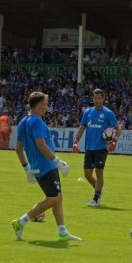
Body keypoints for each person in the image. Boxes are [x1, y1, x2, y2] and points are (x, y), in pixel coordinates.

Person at [11, 91, 81, 242]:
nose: (46, 107)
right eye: (45, 104)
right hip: (47, 165)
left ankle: (62, 232)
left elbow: (18, 149)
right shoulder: (37, 122)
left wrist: (27, 169)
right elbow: (41, 145)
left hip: (37, 166)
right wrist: (58, 161)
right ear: (37, 105)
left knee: (58, 197)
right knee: (53, 199)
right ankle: (20, 222)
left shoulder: (23, 122)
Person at [72, 88, 120, 208]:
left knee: (99, 172)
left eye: (99, 98)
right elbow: (82, 127)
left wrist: (114, 141)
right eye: (95, 98)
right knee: (87, 174)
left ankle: (96, 198)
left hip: (101, 148)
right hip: (89, 148)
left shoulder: (108, 113)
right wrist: (76, 141)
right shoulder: (88, 112)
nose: (97, 100)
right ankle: (98, 190)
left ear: (103, 99)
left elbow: (117, 128)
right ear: (92, 98)